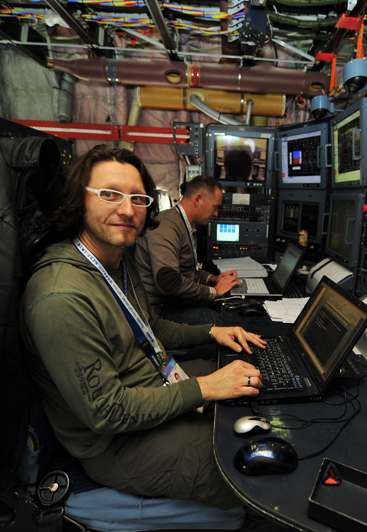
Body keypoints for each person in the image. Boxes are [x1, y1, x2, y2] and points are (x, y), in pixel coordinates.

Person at [20, 145, 266, 511]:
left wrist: (210, 333)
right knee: (253, 473)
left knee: (259, 382)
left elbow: (151, 329)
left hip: (155, 384)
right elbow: (107, 411)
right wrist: (205, 388)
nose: (127, 209)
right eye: (109, 194)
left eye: (137, 198)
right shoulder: (60, 296)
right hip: (117, 443)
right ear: (79, 201)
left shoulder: (119, 261)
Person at [135, 175, 242, 326]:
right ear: (198, 199)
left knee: (234, 308)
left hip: (176, 302)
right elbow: (168, 282)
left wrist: (214, 279)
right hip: (159, 310)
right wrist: (214, 291)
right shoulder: (166, 226)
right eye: (215, 207)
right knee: (226, 323)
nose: (216, 214)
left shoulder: (185, 225)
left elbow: (188, 271)